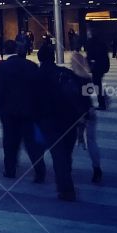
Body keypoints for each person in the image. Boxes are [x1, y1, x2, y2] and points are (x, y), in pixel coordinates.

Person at [36, 44, 88, 201]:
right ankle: (65, 177)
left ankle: (66, 188)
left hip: (49, 120)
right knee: (66, 152)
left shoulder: (37, 76)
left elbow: (32, 101)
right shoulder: (65, 73)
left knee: (58, 154)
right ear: (53, 57)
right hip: (69, 118)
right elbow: (82, 91)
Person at [0, 39, 46, 182]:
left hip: (9, 111)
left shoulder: (2, 67)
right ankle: (39, 170)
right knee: (32, 143)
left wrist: (2, 106)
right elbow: (38, 90)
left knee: (10, 142)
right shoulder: (32, 66)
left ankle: (10, 169)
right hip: (28, 111)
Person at [69, 52, 103, 183]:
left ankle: (67, 167)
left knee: (70, 143)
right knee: (92, 142)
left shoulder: (72, 78)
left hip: (77, 114)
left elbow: (75, 98)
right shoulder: (87, 78)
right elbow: (87, 96)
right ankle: (97, 169)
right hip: (89, 111)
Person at [85, 32, 111, 110]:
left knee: (97, 84)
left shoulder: (91, 43)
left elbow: (90, 55)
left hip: (96, 67)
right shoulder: (102, 43)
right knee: (97, 84)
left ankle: (102, 103)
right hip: (101, 67)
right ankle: (103, 100)